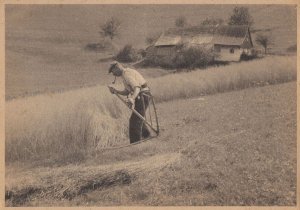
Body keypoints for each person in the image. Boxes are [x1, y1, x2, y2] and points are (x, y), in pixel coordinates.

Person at [108, 61, 151, 144]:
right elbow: (127, 91)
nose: (113, 74)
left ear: (117, 67)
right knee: (138, 117)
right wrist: (116, 91)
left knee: (134, 120)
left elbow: (137, 88)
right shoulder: (124, 75)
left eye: (112, 71)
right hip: (141, 96)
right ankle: (147, 135)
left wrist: (132, 98)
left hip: (143, 96)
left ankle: (135, 143)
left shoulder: (127, 74)